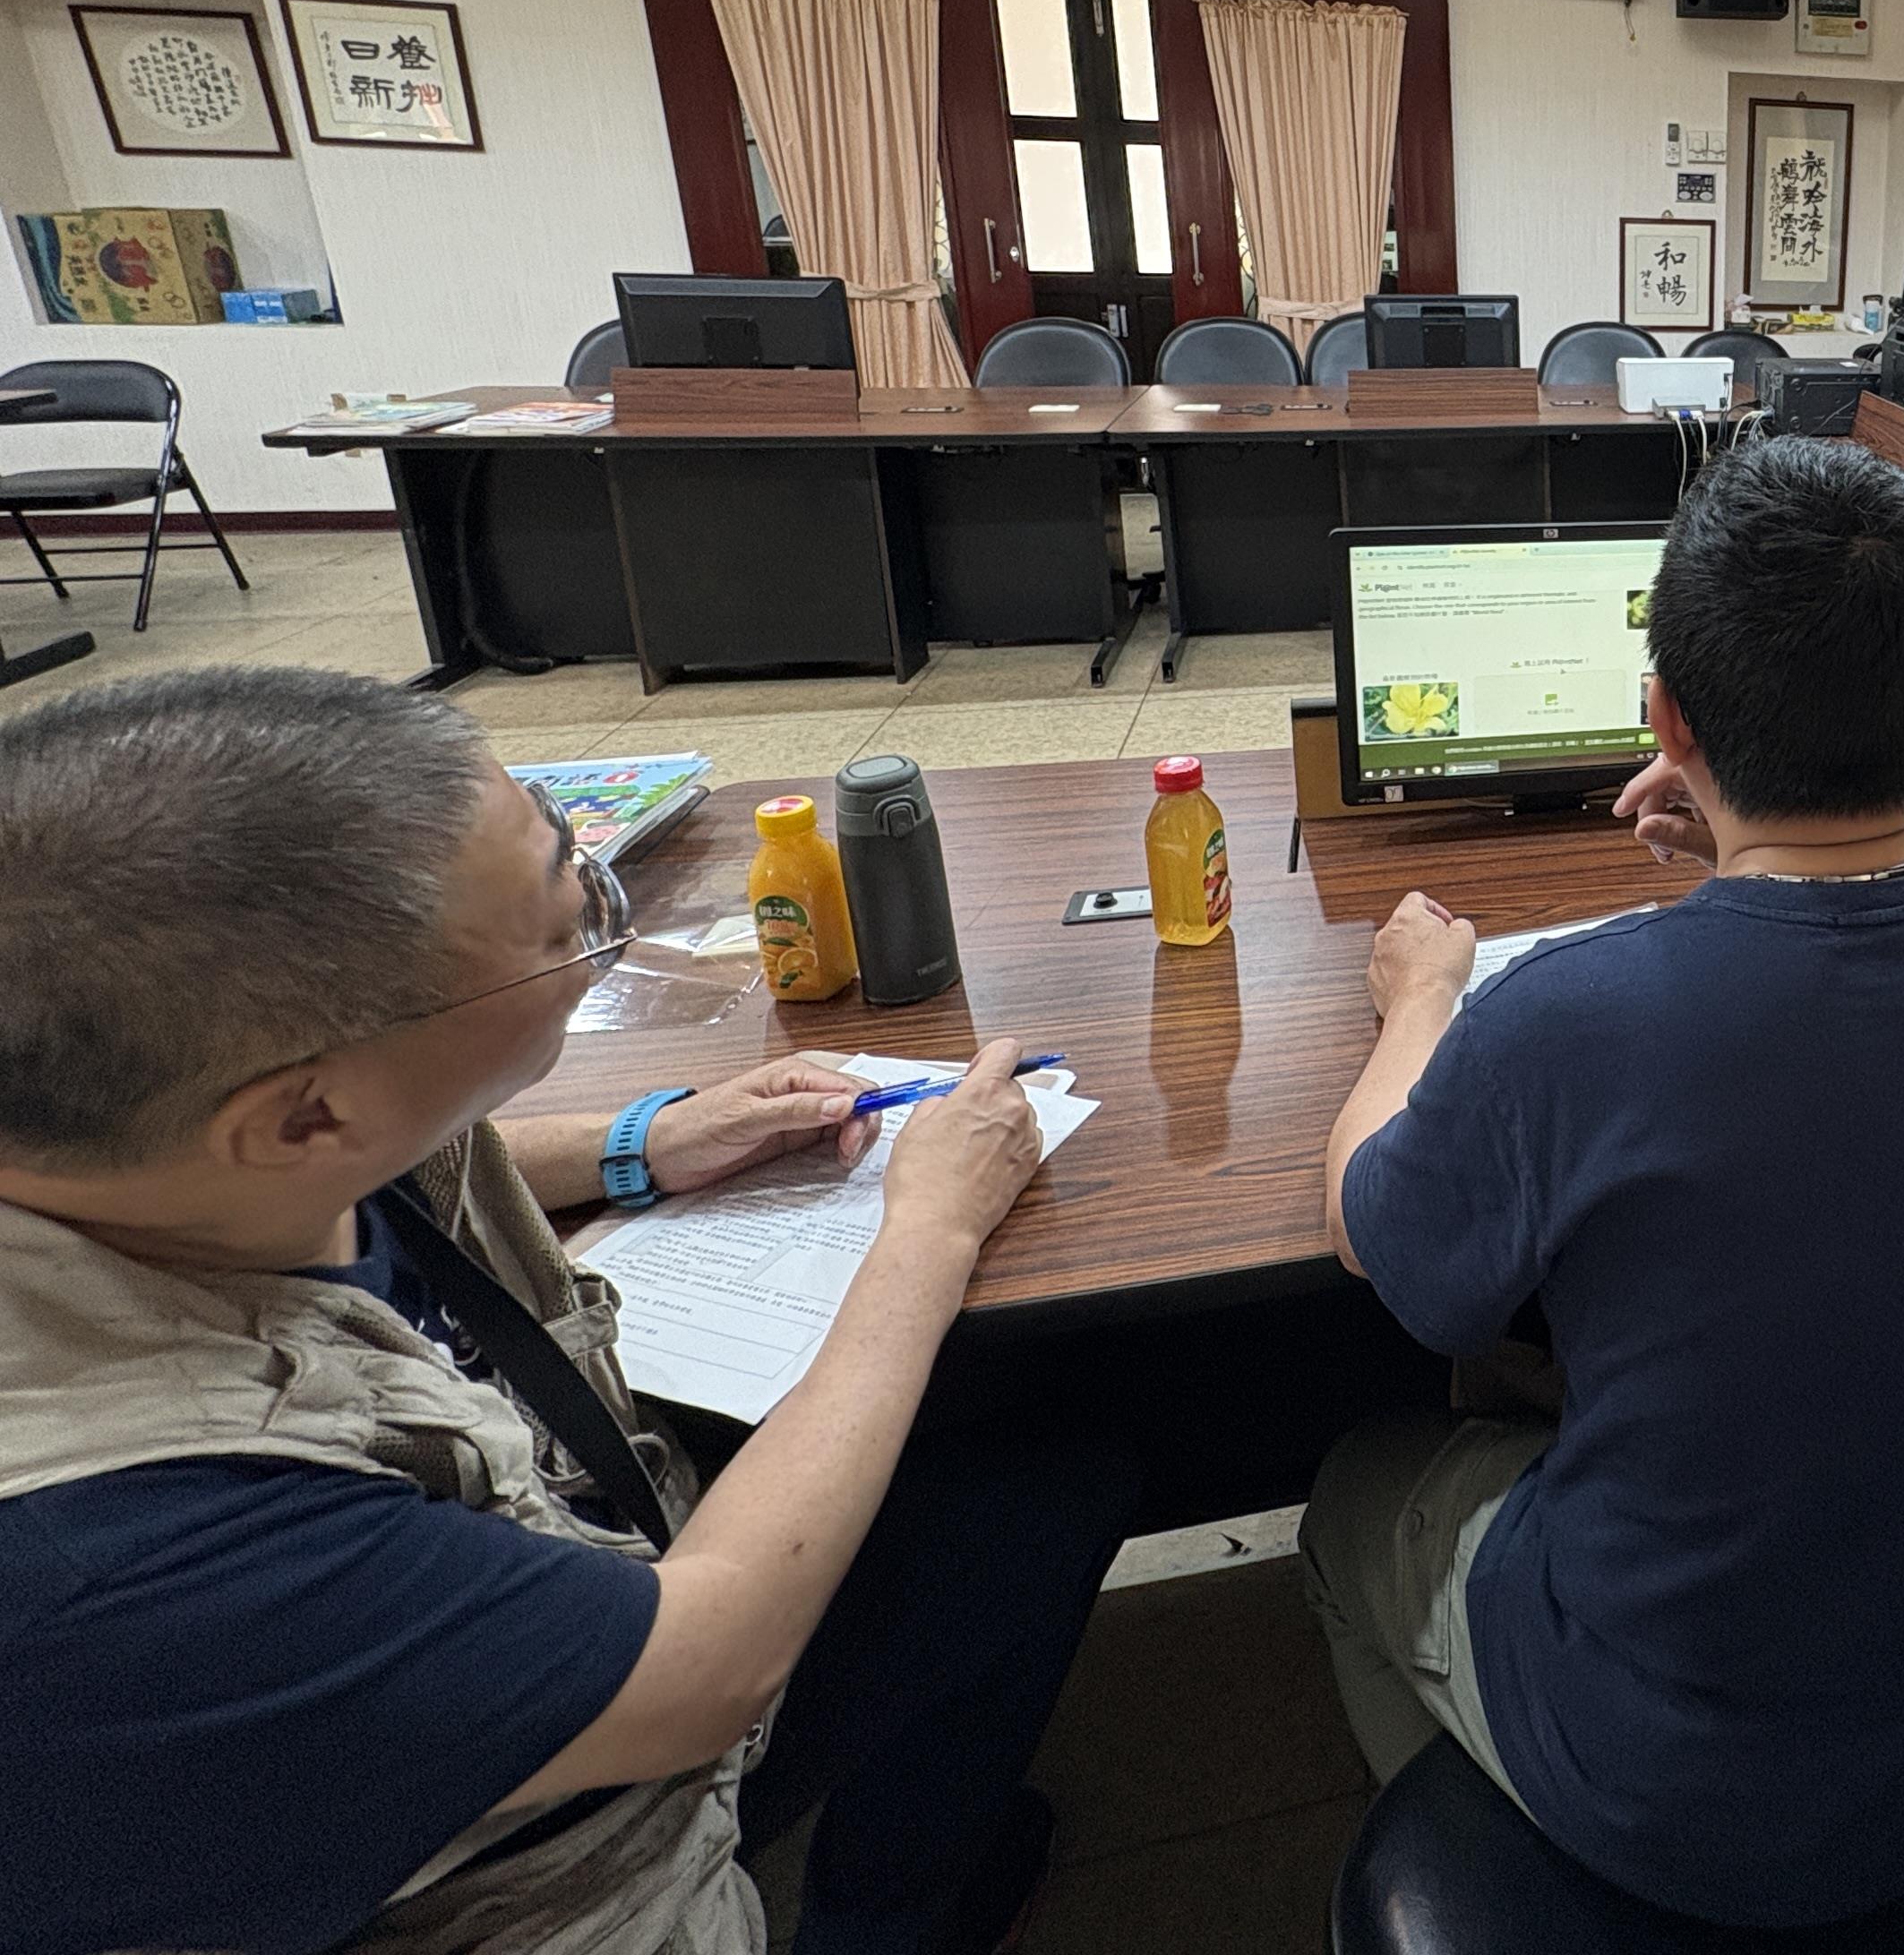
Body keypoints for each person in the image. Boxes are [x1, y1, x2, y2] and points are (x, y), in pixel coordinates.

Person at [0, 667, 1138, 1955]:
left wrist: (641, 1140)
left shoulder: (137, 1137)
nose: (597, 933)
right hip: (565, 1842)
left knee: (1021, 1459)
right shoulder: (144, 1564)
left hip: (548, 1532)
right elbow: (708, 1668)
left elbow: (395, 1152)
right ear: (305, 1117)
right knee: (1024, 1495)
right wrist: (929, 1230)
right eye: (566, 928)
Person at [1300, 436, 1904, 1929]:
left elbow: (1375, 1229)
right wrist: (1749, 854)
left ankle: (1540, 1886)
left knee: (1355, 1491)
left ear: (1666, 717)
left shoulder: (1561, 1020)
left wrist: (1419, 996)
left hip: (1696, 1799)